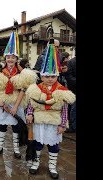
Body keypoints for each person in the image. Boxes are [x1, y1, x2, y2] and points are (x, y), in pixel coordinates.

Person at [25, 38, 76, 179]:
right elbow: (31, 104)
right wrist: (29, 114)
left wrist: (62, 124)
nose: (49, 79)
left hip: (54, 121)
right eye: (46, 76)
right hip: (39, 121)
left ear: (57, 75)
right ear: (41, 75)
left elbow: (64, 109)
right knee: (38, 143)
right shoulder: (35, 89)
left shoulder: (62, 90)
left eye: (53, 76)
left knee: (53, 146)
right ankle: (36, 163)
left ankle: (52, 166)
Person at [0, 29, 38, 158]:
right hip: (3, 101)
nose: (10, 59)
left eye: (13, 57)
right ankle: (0, 146)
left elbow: (22, 89)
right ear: (5, 58)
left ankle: (16, 148)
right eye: (8, 57)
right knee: (2, 126)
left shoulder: (22, 74)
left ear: (17, 59)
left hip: (17, 101)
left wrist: (16, 106)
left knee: (16, 126)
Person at [64, 55, 76, 133]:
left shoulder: (70, 62)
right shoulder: (71, 62)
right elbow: (68, 76)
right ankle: (73, 126)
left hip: (73, 88)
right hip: (74, 88)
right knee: (73, 108)